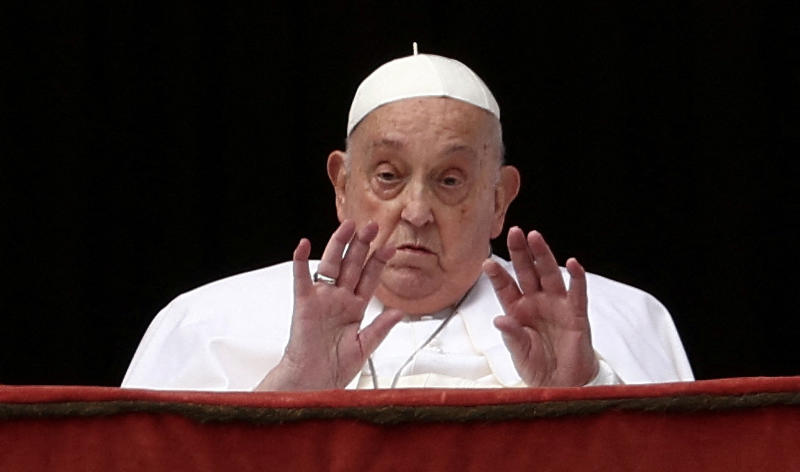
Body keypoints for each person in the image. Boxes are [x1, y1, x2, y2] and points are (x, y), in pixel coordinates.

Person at [122, 51, 693, 391]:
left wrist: (586, 396)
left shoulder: (623, 321)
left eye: (450, 181)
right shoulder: (204, 323)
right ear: (342, 186)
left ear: (500, 198)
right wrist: (284, 397)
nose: (416, 213)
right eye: (388, 176)